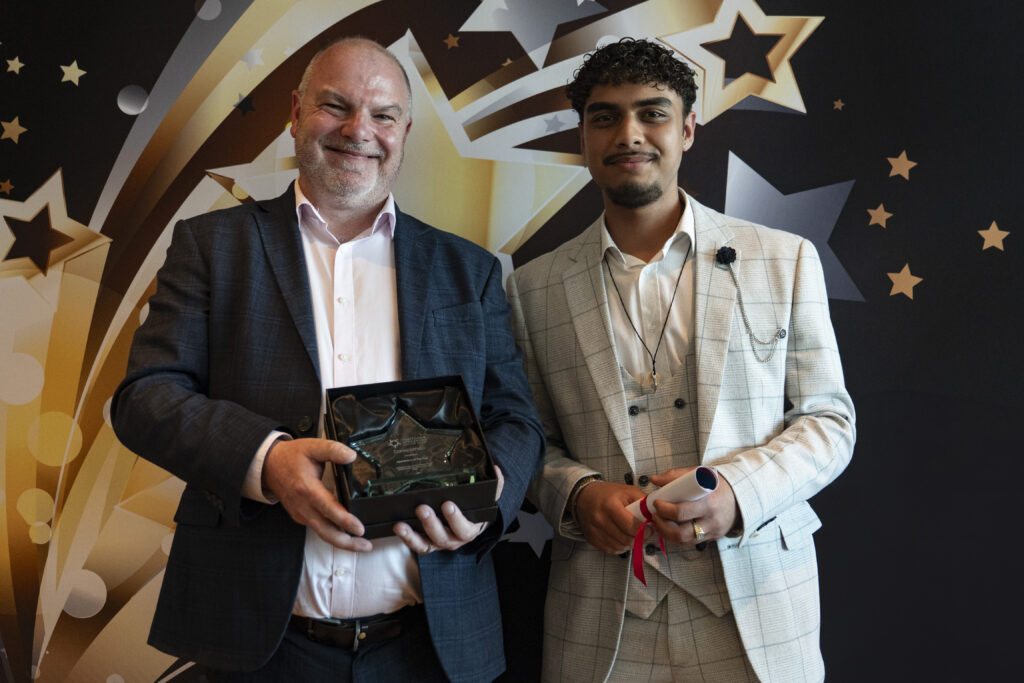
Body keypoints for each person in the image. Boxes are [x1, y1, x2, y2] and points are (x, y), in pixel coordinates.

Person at [112, 37, 543, 682]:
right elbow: (144, 396)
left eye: (382, 115)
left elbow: (516, 420)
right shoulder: (212, 246)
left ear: (404, 130)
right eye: (334, 106)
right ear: (294, 111)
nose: (358, 131)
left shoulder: (468, 270)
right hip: (258, 644)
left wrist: (490, 497)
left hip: (431, 646)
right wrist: (268, 460)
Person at [507, 38, 855, 681]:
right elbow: (528, 441)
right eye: (605, 117)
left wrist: (736, 493)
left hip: (757, 611)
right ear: (583, 137)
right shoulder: (530, 288)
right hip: (601, 624)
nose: (629, 134)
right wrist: (578, 496)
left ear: (688, 128)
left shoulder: (785, 259)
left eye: (653, 112)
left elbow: (829, 422)